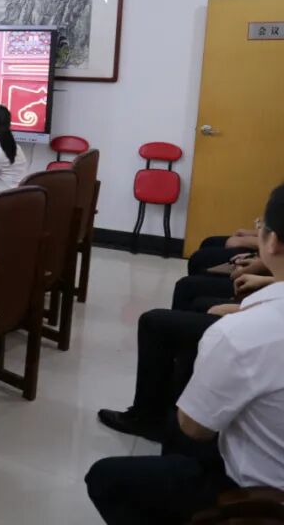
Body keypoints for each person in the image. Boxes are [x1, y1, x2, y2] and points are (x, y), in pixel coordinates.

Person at [86, 184, 284, 525]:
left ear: (272, 241)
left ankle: (153, 423)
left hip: (261, 495)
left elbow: (195, 430)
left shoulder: (242, 335)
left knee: (108, 477)